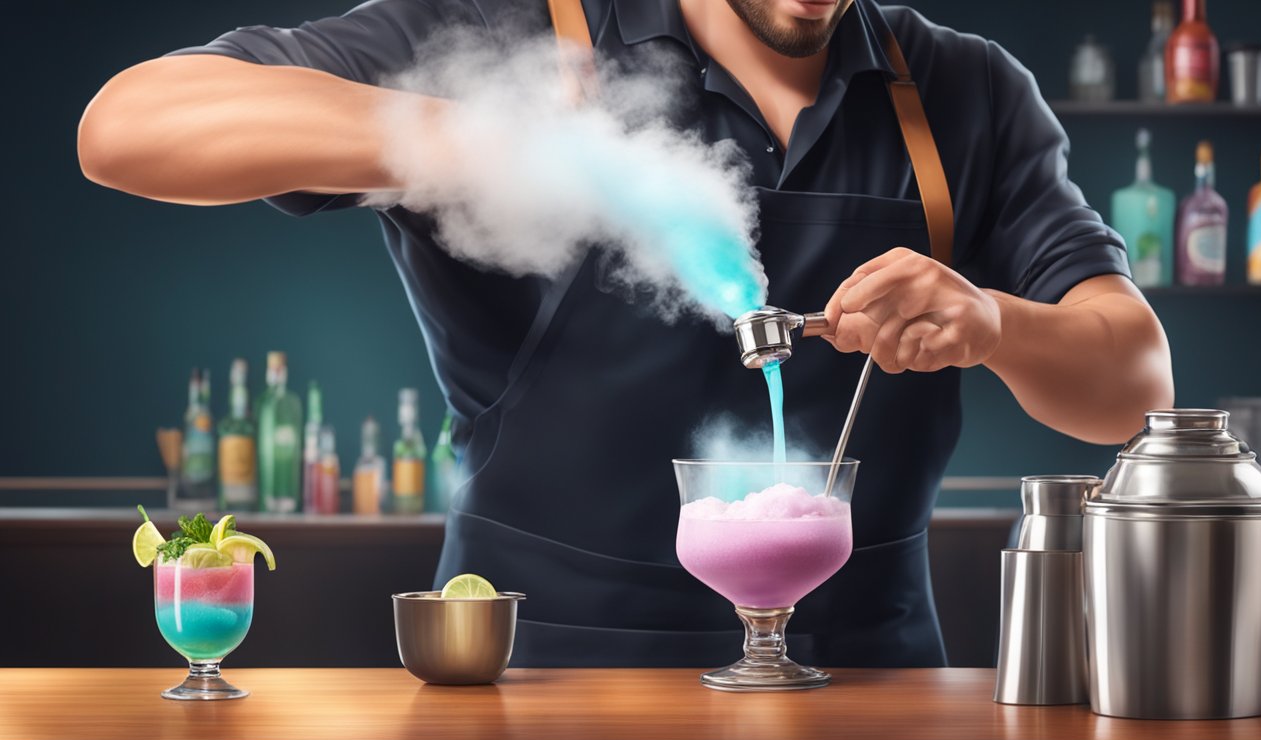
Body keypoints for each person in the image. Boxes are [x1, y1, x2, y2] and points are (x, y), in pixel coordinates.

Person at [78, 0, 1173, 667]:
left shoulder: (965, 94)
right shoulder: (502, 36)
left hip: (873, 690)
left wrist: (994, 322)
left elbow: (1133, 384)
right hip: (545, 690)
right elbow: (127, 125)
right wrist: (477, 139)